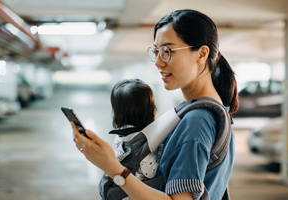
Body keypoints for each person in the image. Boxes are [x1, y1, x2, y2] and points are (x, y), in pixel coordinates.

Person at [72, 9, 238, 200]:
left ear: (201, 54)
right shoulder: (215, 112)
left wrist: (113, 168)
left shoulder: (198, 120)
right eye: (156, 51)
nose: (158, 62)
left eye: (167, 51)